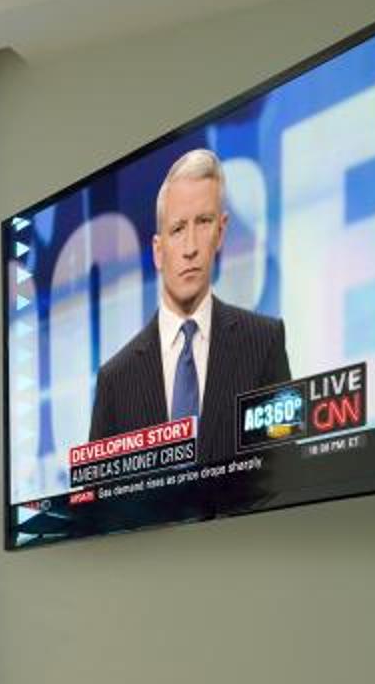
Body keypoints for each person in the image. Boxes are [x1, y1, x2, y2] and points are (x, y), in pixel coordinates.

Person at [84, 147, 291, 467]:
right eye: (178, 229)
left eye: (204, 222)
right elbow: (98, 495)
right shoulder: (115, 380)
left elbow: (287, 472)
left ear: (221, 232)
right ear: (158, 251)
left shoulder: (264, 342)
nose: (190, 248)